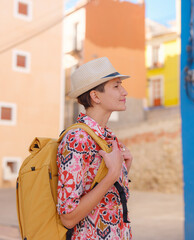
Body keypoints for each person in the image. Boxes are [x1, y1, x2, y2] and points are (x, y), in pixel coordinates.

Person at [57, 57, 133, 239]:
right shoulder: (76, 139)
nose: (125, 92)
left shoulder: (107, 137)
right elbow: (68, 217)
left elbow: (108, 203)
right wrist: (113, 174)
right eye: (116, 86)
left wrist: (124, 170)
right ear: (95, 96)